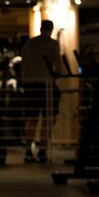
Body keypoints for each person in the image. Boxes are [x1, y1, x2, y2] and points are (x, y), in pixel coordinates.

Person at [19, 19, 63, 162]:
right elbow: (58, 66)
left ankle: (27, 150)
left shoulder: (29, 44)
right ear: (51, 29)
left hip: (29, 85)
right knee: (48, 119)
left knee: (31, 119)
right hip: (45, 85)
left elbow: (23, 64)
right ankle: (42, 150)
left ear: (40, 28)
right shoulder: (52, 44)